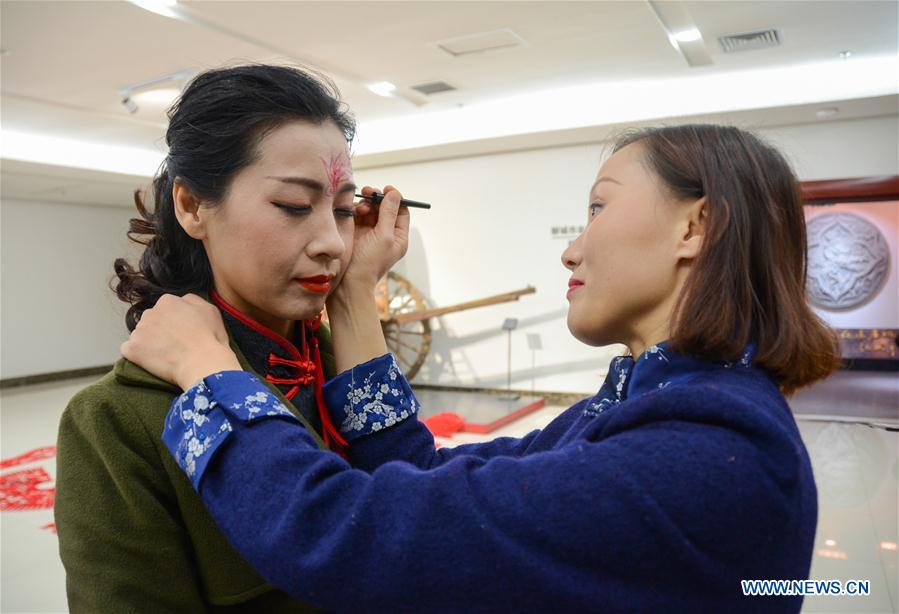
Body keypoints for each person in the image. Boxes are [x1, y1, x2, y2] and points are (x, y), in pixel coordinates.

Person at [122, 124, 841, 613]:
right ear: (192, 205)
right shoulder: (658, 403)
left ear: (695, 227)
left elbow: (349, 535)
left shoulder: (701, 454)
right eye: (291, 206)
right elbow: (424, 479)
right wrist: (353, 295)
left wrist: (211, 374)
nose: (571, 249)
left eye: (597, 208)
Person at [53, 64, 387, 610]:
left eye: (344, 210)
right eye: (294, 206)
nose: (332, 241)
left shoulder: (348, 368)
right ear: (191, 206)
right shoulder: (118, 421)